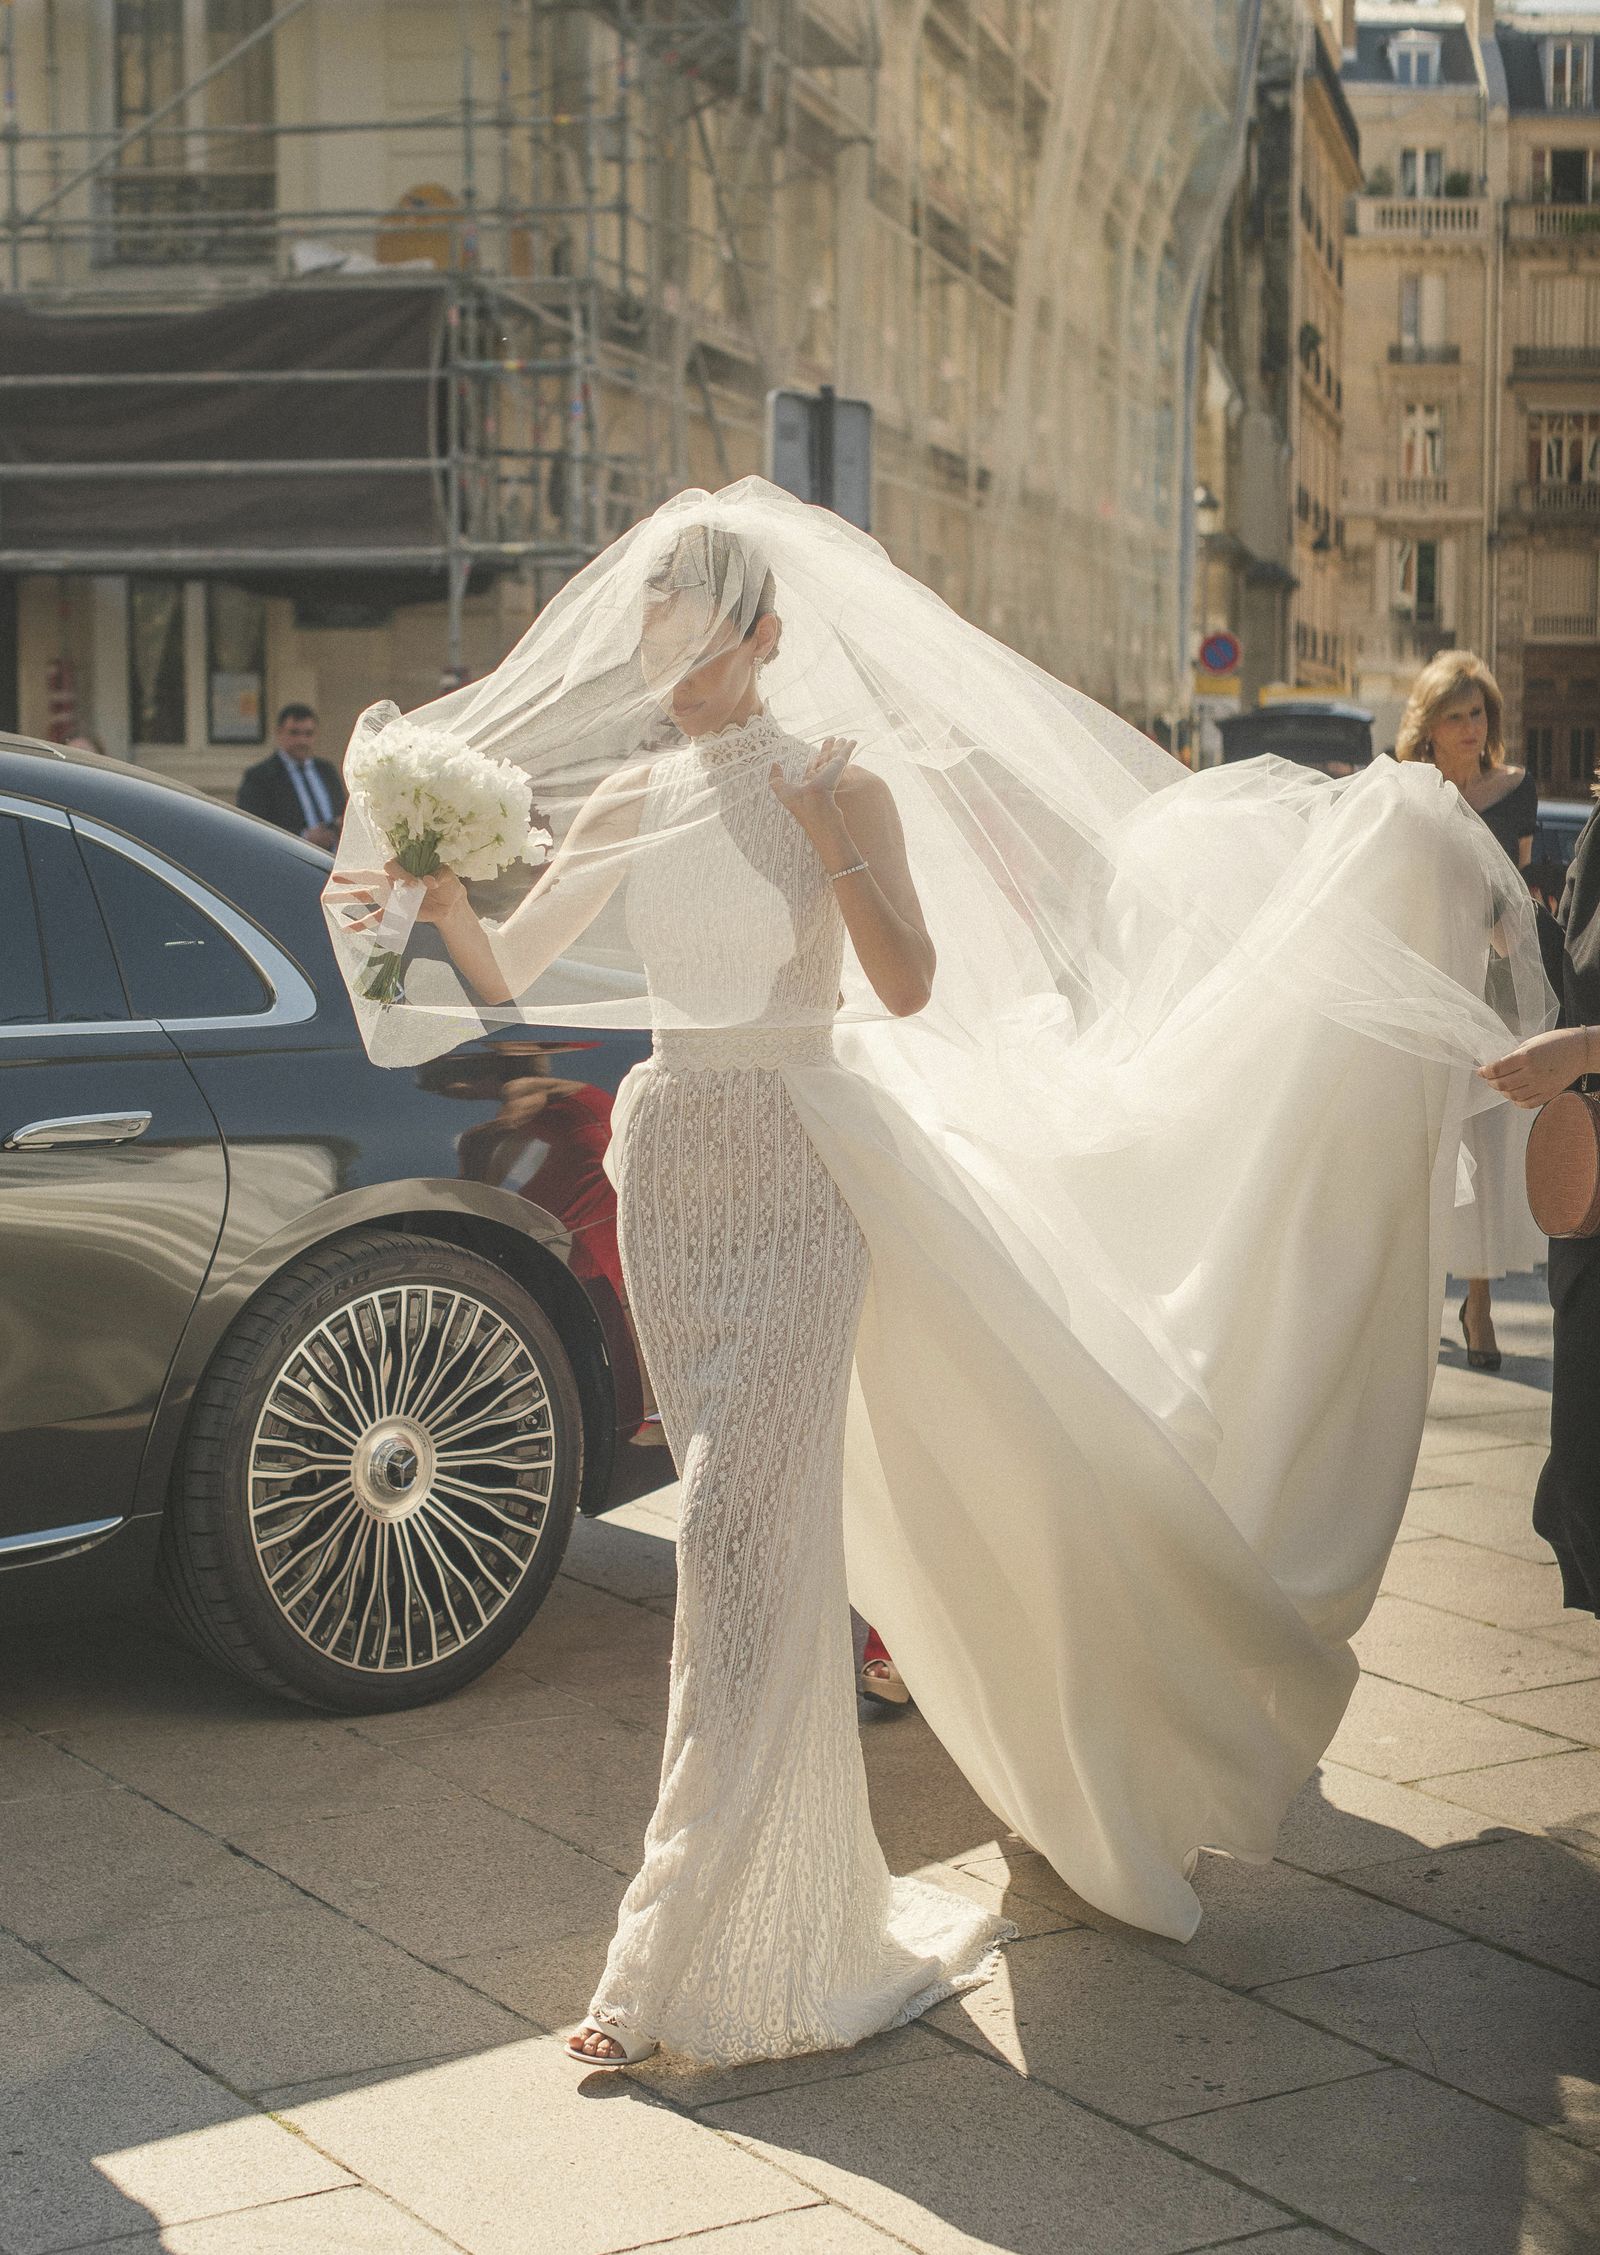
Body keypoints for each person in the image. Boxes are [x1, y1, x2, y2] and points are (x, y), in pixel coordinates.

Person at [326, 480, 1548, 2073]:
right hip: (683, 1160)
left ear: (764, 637)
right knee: (730, 1524)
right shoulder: (630, 799)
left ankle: (678, 1949)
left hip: (804, 1163)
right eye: (651, 618)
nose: (664, 647)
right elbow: (512, 978)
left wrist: (836, 842)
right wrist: (418, 908)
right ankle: (786, 1906)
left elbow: (902, 986)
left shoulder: (840, 779)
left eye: (692, 620)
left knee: (745, 1548)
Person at [1396, 652, 1542, 1371]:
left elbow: (1515, 892)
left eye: (1477, 713)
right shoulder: (1407, 791)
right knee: (1421, 1133)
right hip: (1423, 978)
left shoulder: (1515, 789)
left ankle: (1478, 1303)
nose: (1468, 727)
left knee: (1484, 1143)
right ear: (1429, 727)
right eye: (1453, 715)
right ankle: (1416, 1292)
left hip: (1491, 984)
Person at [1481, 776, 1600, 1616]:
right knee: (1584, 1472)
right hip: (1590, 1200)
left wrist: (1587, 1046)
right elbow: (1579, 976)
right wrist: (1514, 932)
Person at [236, 704, 347, 850]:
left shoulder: (326, 770)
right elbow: (252, 828)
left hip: (333, 861)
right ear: (279, 733)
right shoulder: (260, 777)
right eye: (294, 733)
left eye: (308, 734)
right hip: (290, 860)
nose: (302, 741)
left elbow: (342, 811)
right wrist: (304, 837)